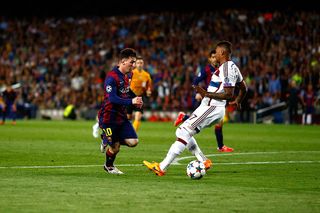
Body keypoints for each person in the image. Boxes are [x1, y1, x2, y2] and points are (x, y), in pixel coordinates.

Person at [143, 41, 247, 176]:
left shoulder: (226, 68)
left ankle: (162, 167)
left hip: (212, 106)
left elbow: (228, 94)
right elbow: (244, 87)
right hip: (209, 106)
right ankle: (204, 161)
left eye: (216, 51)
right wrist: (239, 100)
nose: (214, 54)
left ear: (222, 52)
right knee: (183, 132)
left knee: (183, 131)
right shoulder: (233, 67)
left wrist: (206, 93)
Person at [174, 49, 234, 152]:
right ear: (209, 59)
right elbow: (195, 81)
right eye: (213, 57)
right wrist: (198, 92)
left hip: (218, 99)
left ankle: (184, 117)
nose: (215, 59)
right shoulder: (207, 69)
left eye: (216, 57)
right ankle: (220, 146)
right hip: (209, 100)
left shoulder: (222, 69)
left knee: (218, 122)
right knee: (201, 122)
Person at [98, 48, 143, 175]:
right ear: (123, 61)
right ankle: (109, 166)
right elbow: (112, 98)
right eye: (131, 62)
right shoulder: (111, 78)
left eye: (134, 62)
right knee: (115, 147)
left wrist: (136, 99)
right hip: (108, 118)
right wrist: (131, 102)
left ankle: (108, 138)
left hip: (121, 117)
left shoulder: (128, 75)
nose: (133, 65)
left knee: (134, 142)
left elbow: (127, 91)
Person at [126, 56, 152, 131]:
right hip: (130, 97)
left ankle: (133, 134)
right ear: (135, 64)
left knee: (138, 117)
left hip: (140, 97)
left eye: (141, 63)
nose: (139, 64)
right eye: (138, 63)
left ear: (143, 64)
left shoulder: (146, 75)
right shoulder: (131, 73)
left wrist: (148, 91)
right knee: (128, 118)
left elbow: (149, 86)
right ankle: (127, 132)